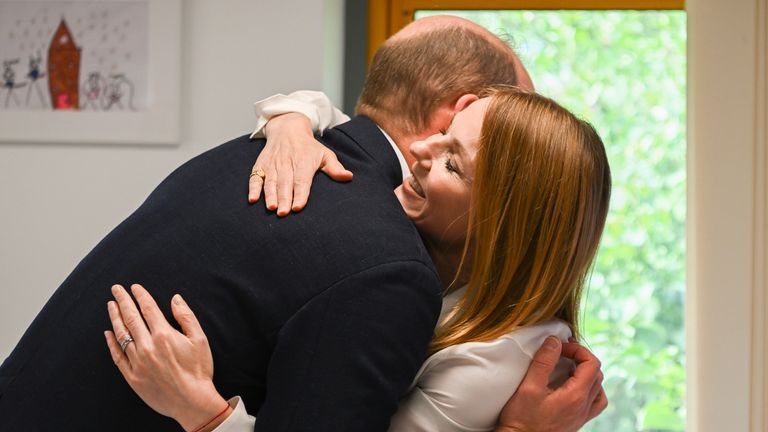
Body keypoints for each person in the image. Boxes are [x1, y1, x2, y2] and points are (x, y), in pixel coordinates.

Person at [0, 16, 602, 432]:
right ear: (459, 107)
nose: (426, 153)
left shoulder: (244, 156)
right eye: (457, 133)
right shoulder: (388, 269)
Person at [106, 86, 611, 431]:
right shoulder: (455, 275)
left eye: (453, 163)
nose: (418, 148)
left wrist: (200, 407)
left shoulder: (498, 361)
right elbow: (325, 107)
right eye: (444, 131)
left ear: (504, 227)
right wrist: (292, 123)